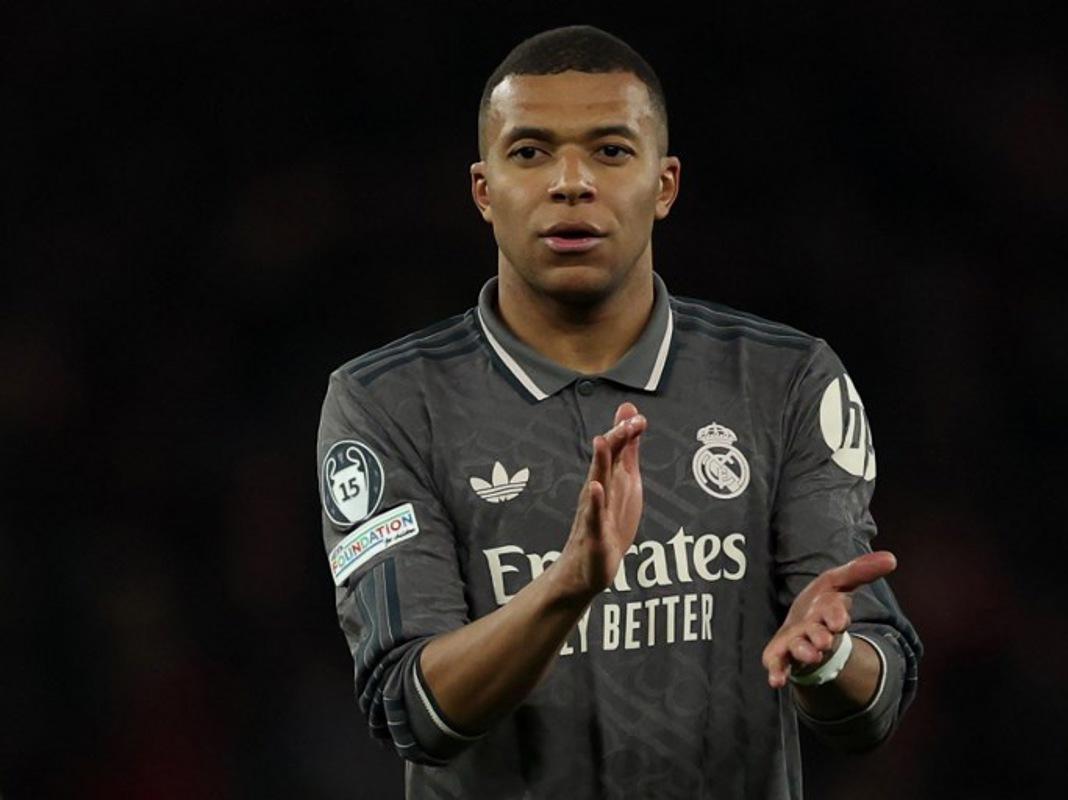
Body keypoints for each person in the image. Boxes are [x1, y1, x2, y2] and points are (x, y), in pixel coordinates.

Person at [315, 24, 923, 799]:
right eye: (530, 152)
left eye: (610, 150)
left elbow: (874, 701)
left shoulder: (782, 380)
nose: (571, 181)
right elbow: (414, 708)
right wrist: (567, 586)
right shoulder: (389, 403)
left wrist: (830, 660)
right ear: (483, 190)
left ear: (664, 185)